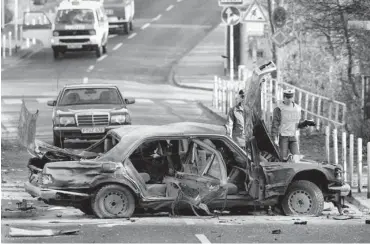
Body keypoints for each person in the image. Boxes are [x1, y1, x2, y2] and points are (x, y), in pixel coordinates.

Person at [271, 89, 302, 161]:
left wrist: (305, 124)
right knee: (282, 159)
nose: (289, 99)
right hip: (283, 137)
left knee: (296, 159)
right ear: (284, 97)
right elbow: (275, 124)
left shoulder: (297, 108)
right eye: (287, 97)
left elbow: (297, 123)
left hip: (293, 137)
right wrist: (274, 138)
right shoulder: (279, 109)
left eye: (291, 97)